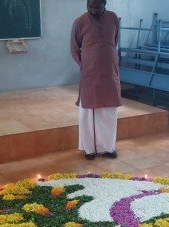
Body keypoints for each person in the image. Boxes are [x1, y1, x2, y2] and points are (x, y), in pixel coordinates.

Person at [71, 0, 122, 160]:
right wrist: (86, 65)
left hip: (110, 73)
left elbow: (114, 41)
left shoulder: (113, 18)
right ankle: (89, 150)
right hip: (90, 74)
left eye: (97, 7)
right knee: (88, 114)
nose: (93, 10)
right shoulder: (79, 22)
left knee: (109, 112)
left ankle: (109, 148)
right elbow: (74, 49)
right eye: (90, 7)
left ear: (105, 4)